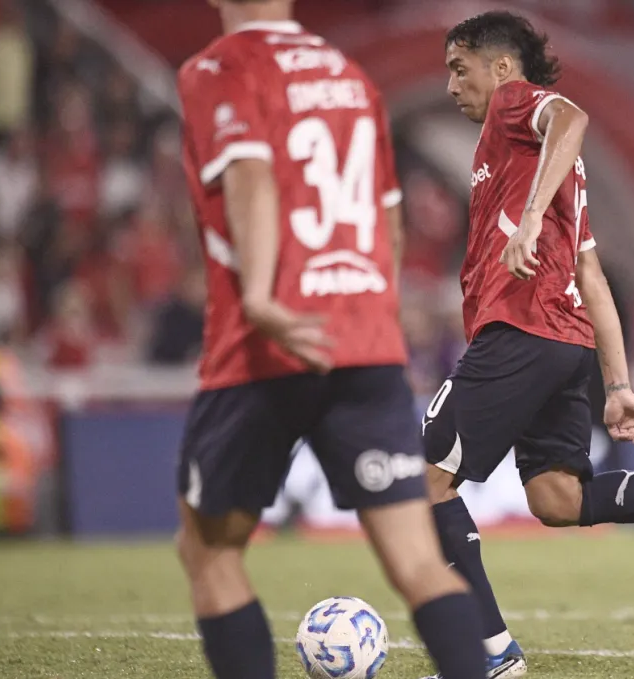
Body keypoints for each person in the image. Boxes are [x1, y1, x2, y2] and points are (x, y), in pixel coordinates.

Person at [421, 11, 634, 679]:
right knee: (558, 498)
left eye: (459, 69)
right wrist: (617, 384)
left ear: (502, 69)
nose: (450, 85)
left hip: (520, 332)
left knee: (425, 479)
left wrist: (528, 221)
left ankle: (491, 653)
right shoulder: (556, 172)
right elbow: (591, 276)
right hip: (565, 342)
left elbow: (572, 115)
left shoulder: (513, 107)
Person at [174, 2, 487, 678]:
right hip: (365, 344)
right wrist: (376, 314)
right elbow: (388, 218)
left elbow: (250, 173)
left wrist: (262, 295)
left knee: (209, 551)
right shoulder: (350, 76)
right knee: (417, 562)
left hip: (264, 346)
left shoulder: (219, 67)